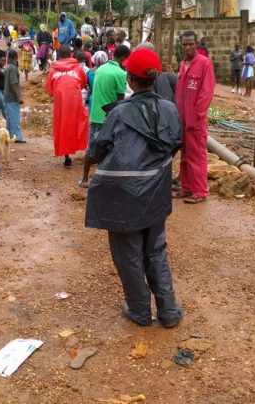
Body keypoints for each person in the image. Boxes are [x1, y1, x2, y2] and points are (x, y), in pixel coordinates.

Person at [85, 48, 183, 329]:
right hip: (156, 193)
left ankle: (140, 311)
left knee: (128, 254)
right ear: (155, 78)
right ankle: (169, 311)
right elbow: (176, 143)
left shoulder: (119, 113)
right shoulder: (169, 108)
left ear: (129, 78)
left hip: (122, 197)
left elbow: (97, 148)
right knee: (156, 250)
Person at [79, 45, 131, 188]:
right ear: (123, 59)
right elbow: (120, 99)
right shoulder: (120, 73)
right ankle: (109, 181)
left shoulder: (100, 69)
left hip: (95, 114)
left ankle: (84, 179)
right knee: (113, 149)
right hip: (110, 117)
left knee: (92, 148)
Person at [174, 31, 215, 204]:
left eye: (191, 44)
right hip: (181, 119)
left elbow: (206, 93)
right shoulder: (183, 64)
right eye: (185, 44)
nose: (188, 47)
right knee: (184, 154)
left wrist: (196, 117)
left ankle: (200, 191)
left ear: (196, 44)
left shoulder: (204, 64)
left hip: (195, 121)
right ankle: (187, 187)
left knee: (197, 154)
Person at [46, 46, 88, 168]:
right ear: (71, 55)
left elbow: (50, 90)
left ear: (59, 56)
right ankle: (82, 149)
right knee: (78, 122)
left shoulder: (53, 70)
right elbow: (83, 83)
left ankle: (66, 155)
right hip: (75, 100)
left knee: (62, 125)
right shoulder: (78, 68)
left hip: (60, 102)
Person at [3, 49, 25, 143]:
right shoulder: (12, 68)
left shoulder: (8, 67)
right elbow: (13, 84)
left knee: (10, 118)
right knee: (15, 118)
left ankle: (10, 135)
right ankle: (17, 137)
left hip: (8, 97)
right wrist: (18, 97)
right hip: (12, 97)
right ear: (16, 57)